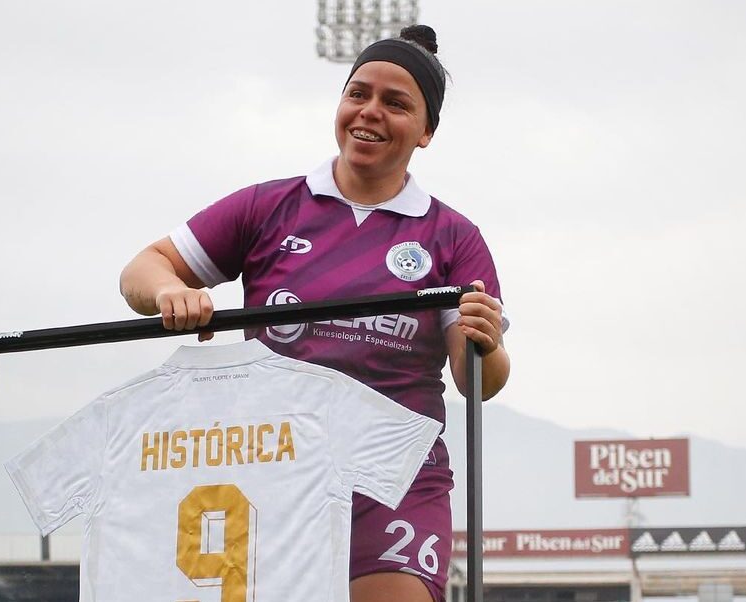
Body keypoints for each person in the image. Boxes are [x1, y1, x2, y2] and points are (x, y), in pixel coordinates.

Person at [119, 25, 510, 602]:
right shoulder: (269, 206)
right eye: (359, 94)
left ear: (426, 132)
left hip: (397, 477)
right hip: (273, 470)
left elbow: (480, 381)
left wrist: (485, 342)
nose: (370, 112)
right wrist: (170, 292)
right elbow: (141, 270)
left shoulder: (453, 236)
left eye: (396, 103)